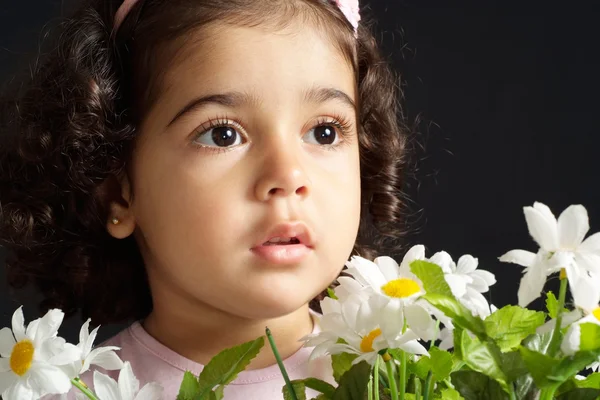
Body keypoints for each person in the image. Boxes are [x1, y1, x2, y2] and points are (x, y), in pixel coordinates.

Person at [0, 0, 409, 398]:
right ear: (117, 194)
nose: (288, 176)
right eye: (222, 134)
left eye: (324, 132)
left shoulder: (406, 382)